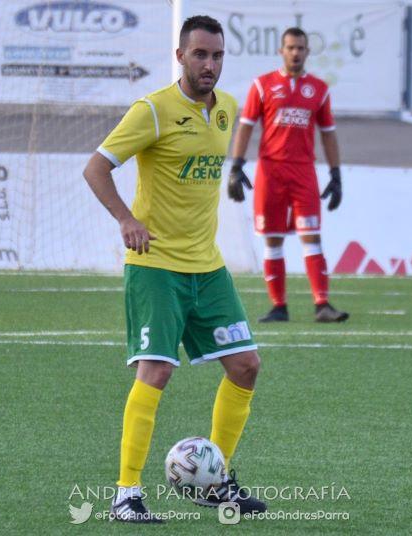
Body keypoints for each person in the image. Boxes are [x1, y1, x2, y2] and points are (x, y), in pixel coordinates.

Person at [82, 15, 267, 524]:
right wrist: (126, 219)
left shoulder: (228, 111)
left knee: (246, 365)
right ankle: (125, 495)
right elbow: (95, 168)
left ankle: (217, 483)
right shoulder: (153, 111)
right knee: (157, 370)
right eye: (201, 55)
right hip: (156, 267)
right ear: (181, 57)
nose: (210, 64)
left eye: (218, 56)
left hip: (207, 269)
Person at [228, 27, 349, 323]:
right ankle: (278, 306)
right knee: (272, 239)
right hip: (270, 172)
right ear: (281, 51)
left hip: (304, 172)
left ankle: (322, 305)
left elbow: (329, 134)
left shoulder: (319, 90)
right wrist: (236, 165)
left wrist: (335, 174)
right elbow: (245, 126)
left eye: (300, 48)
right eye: (290, 47)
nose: (295, 53)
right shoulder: (262, 85)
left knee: (311, 235)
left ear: (307, 52)